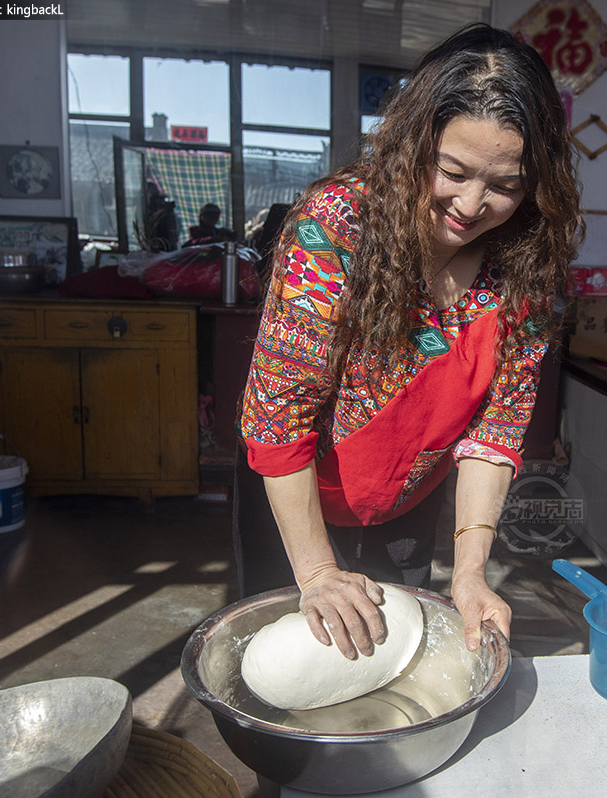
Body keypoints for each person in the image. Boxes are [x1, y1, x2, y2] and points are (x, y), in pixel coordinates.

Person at [235, 24, 584, 660]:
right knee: (296, 664)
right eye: (451, 171)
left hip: (407, 499)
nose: (473, 204)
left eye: (505, 184)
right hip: (294, 499)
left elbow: (495, 430)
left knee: (399, 655)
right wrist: (315, 574)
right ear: (413, 143)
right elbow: (278, 416)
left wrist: (472, 571)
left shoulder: (525, 264)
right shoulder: (336, 228)